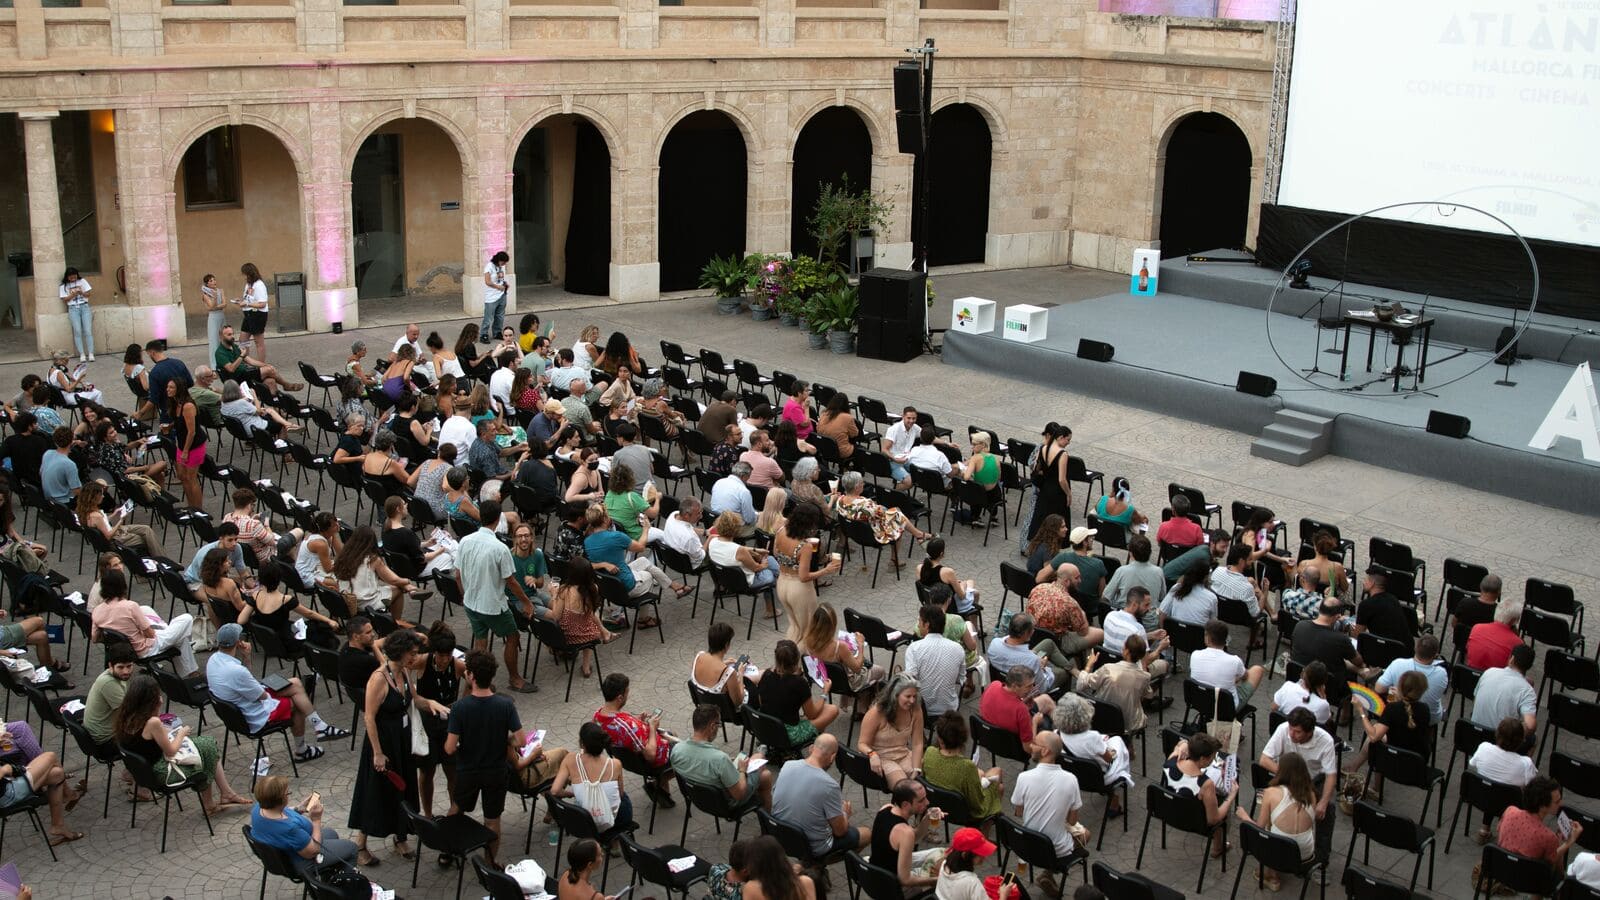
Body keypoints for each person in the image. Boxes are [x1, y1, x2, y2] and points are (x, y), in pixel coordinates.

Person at [347, 628, 443, 864]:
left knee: (403, 789)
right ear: (399, 652)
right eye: (412, 653)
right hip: (382, 743)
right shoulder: (379, 678)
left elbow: (414, 699)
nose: (415, 657)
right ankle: (360, 844)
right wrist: (378, 753)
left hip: (402, 740)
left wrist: (431, 703)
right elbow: (369, 717)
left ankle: (400, 837)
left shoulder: (405, 672)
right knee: (374, 791)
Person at [113, 672, 247, 816]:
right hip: (161, 772)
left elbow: (148, 739)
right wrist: (182, 733)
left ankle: (225, 793)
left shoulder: (126, 716)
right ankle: (211, 804)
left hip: (145, 771)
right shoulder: (153, 722)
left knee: (208, 743)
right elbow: (171, 751)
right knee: (206, 755)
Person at [206, 623, 344, 762]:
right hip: (254, 715)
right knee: (297, 703)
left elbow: (246, 682)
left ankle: (320, 726)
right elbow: (263, 696)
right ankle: (302, 750)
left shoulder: (213, 659)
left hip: (236, 711)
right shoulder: (236, 671)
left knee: (295, 682)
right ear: (238, 642)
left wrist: (247, 657)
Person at [441, 649, 522, 868]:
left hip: (468, 770)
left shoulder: (460, 708)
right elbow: (521, 740)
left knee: (456, 809)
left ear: (471, 676)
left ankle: (447, 851)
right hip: (496, 772)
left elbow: (449, 748)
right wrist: (503, 739)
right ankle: (490, 863)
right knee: (492, 819)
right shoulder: (505, 705)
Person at [457, 499, 538, 692]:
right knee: (513, 636)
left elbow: (458, 575)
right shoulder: (500, 548)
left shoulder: (465, 541)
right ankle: (515, 679)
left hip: (471, 603)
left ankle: (478, 681)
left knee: (480, 640)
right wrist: (527, 603)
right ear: (497, 519)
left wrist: (465, 596)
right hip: (492, 606)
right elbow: (511, 581)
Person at [1260, 708, 1339, 863]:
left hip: (1313, 780)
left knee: (1328, 810)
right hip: (1287, 779)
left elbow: (1331, 775)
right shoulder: (1283, 729)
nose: (1291, 734)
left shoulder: (1325, 741)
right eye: (1291, 729)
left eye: (1297, 732)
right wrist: (1289, 776)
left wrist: (1323, 802)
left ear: (1309, 732)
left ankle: (1321, 857)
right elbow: (1264, 759)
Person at [91, 568, 198, 676]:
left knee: (145, 609)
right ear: (122, 585)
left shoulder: (97, 611)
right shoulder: (130, 606)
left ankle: (191, 672)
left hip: (127, 649)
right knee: (186, 618)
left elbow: (95, 638)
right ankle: (189, 670)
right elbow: (150, 634)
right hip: (145, 649)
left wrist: (117, 634)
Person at [1235, 751, 1318, 891]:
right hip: (1305, 853)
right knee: (1275, 825)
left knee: (1267, 828)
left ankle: (1269, 874)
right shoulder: (1312, 794)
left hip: (1278, 851)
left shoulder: (1271, 792)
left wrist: (1244, 816)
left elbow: (1259, 828)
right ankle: (1273, 872)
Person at [772, 734, 867, 855]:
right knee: (866, 834)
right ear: (832, 757)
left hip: (780, 835)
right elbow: (840, 831)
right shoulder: (830, 786)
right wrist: (845, 814)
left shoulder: (788, 765)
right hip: (811, 847)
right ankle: (816, 863)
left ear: (811, 748)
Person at [251, 775, 361, 875]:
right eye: (288, 793)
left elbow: (282, 811)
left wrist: (299, 809)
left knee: (331, 833)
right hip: (300, 862)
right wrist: (316, 820)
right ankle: (345, 884)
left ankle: (329, 875)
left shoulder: (258, 808)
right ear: (280, 800)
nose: (289, 795)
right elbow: (313, 851)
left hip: (282, 853)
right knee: (352, 848)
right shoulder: (289, 828)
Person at [671, 704, 774, 811]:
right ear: (712, 726)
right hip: (724, 805)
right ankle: (766, 816)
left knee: (759, 760)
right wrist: (742, 771)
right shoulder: (720, 759)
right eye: (719, 724)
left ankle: (763, 811)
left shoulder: (676, 749)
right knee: (764, 771)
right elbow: (739, 794)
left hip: (697, 799)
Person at [594, 673, 676, 807]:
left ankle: (664, 793)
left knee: (671, 734)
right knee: (685, 753)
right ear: (620, 698)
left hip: (629, 759)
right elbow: (650, 755)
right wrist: (652, 728)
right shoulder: (627, 726)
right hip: (653, 759)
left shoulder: (598, 716)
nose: (628, 695)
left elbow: (624, 732)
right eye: (627, 692)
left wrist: (638, 721)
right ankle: (659, 782)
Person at [1011, 729, 1084, 873]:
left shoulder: (1023, 777)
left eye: (1035, 743)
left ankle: (1047, 874)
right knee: (1085, 834)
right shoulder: (1071, 779)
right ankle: (1048, 874)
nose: (1031, 746)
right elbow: (1072, 821)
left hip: (1028, 845)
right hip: (1057, 850)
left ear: (1045, 751)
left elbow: (1019, 813)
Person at [830, 472, 932, 569]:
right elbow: (883, 512)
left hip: (854, 533)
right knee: (897, 521)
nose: (863, 484)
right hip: (871, 536)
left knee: (896, 514)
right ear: (856, 487)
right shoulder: (865, 504)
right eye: (862, 482)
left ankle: (919, 535)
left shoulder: (840, 500)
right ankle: (897, 557)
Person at [1344, 670, 1432, 783]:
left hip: (1393, 761)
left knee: (1375, 738)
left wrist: (1361, 710)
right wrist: (1399, 701)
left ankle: (1375, 786)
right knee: (1380, 733)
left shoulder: (1393, 709)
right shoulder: (1425, 709)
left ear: (1401, 687)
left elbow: (1374, 736)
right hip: (1417, 763)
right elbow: (1405, 719)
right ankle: (1355, 768)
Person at [772, 501, 840, 642]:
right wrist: (826, 570)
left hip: (782, 583)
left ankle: (789, 652)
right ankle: (801, 654)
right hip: (799, 589)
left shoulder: (780, 531)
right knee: (808, 630)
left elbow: (776, 552)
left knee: (795, 626)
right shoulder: (805, 546)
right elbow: (804, 577)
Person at [1497, 777, 1584, 882]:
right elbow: (1555, 867)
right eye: (1557, 802)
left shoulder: (1510, 811)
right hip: (1527, 881)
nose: (1561, 803)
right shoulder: (1548, 837)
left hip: (1500, 869)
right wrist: (1569, 842)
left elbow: (1499, 831)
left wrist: (1556, 840)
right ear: (1543, 806)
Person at [551, 721, 634, 831]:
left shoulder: (570, 759)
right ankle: (617, 834)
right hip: (613, 821)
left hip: (585, 821)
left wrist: (572, 793)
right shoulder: (615, 764)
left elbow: (555, 791)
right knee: (623, 796)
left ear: (582, 744)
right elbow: (620, 794)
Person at [1055, 693, 1133, 810]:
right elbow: (1109, 759)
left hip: (1075, 776)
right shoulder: (1092, 737)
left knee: (1105, 744)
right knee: (1118, 740)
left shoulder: (1057, 734)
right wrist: (1111, 751)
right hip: (1100, 778)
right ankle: (1120, 782)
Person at [1165, 731, 1237, 858]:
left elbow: (1180, 745)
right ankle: (1218, 847)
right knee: (1222, 801)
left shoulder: (1171, 761)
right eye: (1212, 757)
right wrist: (1231, 796)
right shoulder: (1206, 784)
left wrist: (1182, 744)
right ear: (1203, 759)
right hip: (1195, 822)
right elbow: (1213, 819)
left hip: (1168, 812)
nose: (1213, 760)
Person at [922, 711, 1004, 821]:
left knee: (995, 781)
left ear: (941, 740)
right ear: (963, 738)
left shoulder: (929, 752)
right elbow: (977, 802)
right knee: (998, 778)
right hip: (964, 813)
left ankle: (992, 818)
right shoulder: (967, 767)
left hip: (938, 803)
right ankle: (987, 824)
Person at [1289, 599, 1364, 714]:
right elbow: (1358, 661)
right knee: (1351, 673)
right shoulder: (1340, 639)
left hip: (1298, 677)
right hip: (1329, 688)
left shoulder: (1300, 625)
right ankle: (1346, 714)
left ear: (1320, 610)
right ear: (1337, 616)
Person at [332, 526, 418, 627]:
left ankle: (408, 590)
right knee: (398, 590)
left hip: (347, 600)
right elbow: (393, 580)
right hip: (365, 602)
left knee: (393, 586)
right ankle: (395, 623)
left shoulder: (343, 555)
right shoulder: (372, 559)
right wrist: (407, 581)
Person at [759, 639, 840, 743]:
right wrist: (825, 692)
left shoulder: (766, 674)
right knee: (832, 709)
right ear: (797, 659)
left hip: (764, 727)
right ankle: (816, 744)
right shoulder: (799, 683)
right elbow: (812, 714)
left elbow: (761, 702)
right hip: (787, 735)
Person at [0, 746, 81, 847]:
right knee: (50, 756)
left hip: (9, 784)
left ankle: (58, 826)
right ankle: (68, 794)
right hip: (9, 793)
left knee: (57, 774)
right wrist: (4, 770)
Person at [871, 779, 944, 890]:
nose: (927, 802)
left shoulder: (885, 808)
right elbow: (905, 880)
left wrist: (928, 818)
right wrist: (938, 880)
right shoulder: (906, 832)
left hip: (876, 871)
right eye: (921, 800)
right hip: (892, 886)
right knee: (944, 872)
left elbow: (915, 837)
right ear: (906, 804)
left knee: (943, 852)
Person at [549, 558, 616, 679]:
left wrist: (554, 595)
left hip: (567, 636)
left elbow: (556, 616)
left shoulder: (564, 590)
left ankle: (605, 632)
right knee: (590, 620)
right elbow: (591, 611)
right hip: (588, 635)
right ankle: (586, 667)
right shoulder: (593, 588)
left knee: (586, 619)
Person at [858, 673, 925, 787]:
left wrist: (916, 768)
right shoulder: (876, 713)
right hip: (882, 757)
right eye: (908, 696)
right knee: (904, 787)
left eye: (914, 696)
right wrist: (872, 754)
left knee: (922, 782)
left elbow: (917, 743)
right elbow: (862, 743)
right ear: (895, 695)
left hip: (903, 754)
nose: (912, 701)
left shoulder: (915, 710)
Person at [987, 613, 1075, 698]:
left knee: (1048, 643)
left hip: (1008, 675)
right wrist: (1042, 668)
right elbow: (1042, 688)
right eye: (1032, 629)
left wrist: (1033, 657)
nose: (1034, 631)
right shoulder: (1032, 660)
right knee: (1064, 672)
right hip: (1026, 685)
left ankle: (1074, 670)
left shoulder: (994, 643)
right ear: (1026, 633)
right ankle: (1064, 693)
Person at [801, 602, 883, 693]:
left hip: (826, 681)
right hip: (848, 684)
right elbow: (857, 669)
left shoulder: (807, 641)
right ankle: (873, 699)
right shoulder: (839, 647)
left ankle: (852, 700)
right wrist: (860, 645)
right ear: (832, 624)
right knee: (880, 671)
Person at [1025, 564, 1104, 656]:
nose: (1080, 581)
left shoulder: (1038, 588)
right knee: (1100, 633)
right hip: (1057, 642)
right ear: (1067, 581)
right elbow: (1083, 632)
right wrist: (1082, 613)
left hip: (1031, 635)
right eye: (1077, 578)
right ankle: (1089, 661)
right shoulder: (1070, 602)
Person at [1190, 618, 1266, 712]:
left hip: (1199, 701)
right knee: (1257, 670)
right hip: (1226, 709)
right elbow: (1245, 676)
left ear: (1208, 638)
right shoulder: (1235, 661)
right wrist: (1233, 679)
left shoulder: (1195, 655)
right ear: (1226, 640)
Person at [906, 603, 967, 718]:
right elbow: (961, 679)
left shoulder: (914, 648)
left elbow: (910, 680)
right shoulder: (958, 648)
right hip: (949, 709)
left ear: (927, 625)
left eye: (919, 621)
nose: (918, 625)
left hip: (922, 711)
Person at [76, 480, 165, 558]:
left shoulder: (85, 511)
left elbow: (102, 523)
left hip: (113, 532)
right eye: (101, 494)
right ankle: (161, 560)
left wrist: (114, 514)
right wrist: (120, 521)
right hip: (115, 540)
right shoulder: (96, 516)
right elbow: (108, 536)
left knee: (146, 529)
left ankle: (159, 559)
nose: (103, 496)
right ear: (94, 497)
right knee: (146, 539)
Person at [981, 665, 1056, 756]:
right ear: (1014, 686)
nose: (1032, 688)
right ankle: (1061, 739)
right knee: (1046, 723)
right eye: (1028, 686)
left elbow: (1004, 704)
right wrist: (1035, 722)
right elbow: (1029, 748)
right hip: (1013, 748)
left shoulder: (994, 685)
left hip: (989, 737)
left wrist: (1021, 701)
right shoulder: (1021, 710)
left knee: (1045, 699)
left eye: (1033, 684)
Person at [1472, 643, 1539, 744]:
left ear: (1512, 658)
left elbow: (1475, 700)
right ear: (1529, 666)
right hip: (1499, 741)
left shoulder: (1489, 672)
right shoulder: (1527, 690)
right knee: (1534, 739)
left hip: (1473, 732)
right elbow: (1530, 726)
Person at [1375, 634, 1448, 723]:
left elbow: (1379, 689)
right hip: (1428, 720)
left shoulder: (1398, 664)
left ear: (1415, 648)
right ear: (1436, 655)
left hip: (1399, 716)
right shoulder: (1442, 673)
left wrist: (1394, 693)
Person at [1211, 543, 1270, 645]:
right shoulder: (1247, 588)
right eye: (1250, 559)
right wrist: (1264, 593)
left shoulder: (1217, 571)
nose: (1252, 561)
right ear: (1241, 561)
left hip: (1219, 612)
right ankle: (1252, 643)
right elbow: (1256, 613)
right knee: (1258, 617)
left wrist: (1246, 580)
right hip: (1241, 619)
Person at [214, 325, 300, 394]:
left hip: (246, 374)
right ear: (221, 336)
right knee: (269, 370)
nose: (232, 337)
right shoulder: (220, 353)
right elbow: (231, 369)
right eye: (229, 335)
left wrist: (266, 365)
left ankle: (277, 408)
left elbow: (250, 361)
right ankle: (286, 385)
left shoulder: (234, 347)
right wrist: (241, 356)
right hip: (238, 379)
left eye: (232, 334)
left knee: (271, 381)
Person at [1025, 422, 1074, 542]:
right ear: (1061, 437)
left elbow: (1037, 467)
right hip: (1057, 492)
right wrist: (1068, 493)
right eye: (1068, 439)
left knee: (1042, 518)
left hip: (1045, 488)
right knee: (1057, 522)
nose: (1068, 443)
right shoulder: (1062, 454)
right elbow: (1062, 479)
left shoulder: (1043, 448)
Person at [84, 641, 139, 746]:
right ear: (110, 665)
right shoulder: (108, 683)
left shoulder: (118, 676)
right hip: (106, 739)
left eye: (129, 666)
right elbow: (130, 712)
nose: (126, 671)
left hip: (108, 729)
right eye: (121, 667)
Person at [167, 379, 207, 509]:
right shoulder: (175, 403)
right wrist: (170, 426)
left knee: (191, 478)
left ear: (178, 389)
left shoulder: (188, 406)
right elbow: (180, 422)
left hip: (193, 446)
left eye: (171, 387)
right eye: (168, 387)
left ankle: (198, 509)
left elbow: (192, 432)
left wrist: (185, 451)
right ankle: (190, 506)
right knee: (182, 476)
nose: (168, 390)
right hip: (182, 444)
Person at [1355, 566, 1416, 647]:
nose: (1363, 582)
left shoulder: (1365, 605)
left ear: (1372, 583)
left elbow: (1357, 636)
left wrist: (1346, 625)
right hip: (1404, 649)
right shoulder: (1394, 599)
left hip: (1383, 649)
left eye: (1366, 580)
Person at [919, 539, 979, 614]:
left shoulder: (919, 568)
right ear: (941, 554)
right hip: (949, 606)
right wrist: (963, 585)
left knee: (972, 587)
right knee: (971, 585)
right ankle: (972, 619)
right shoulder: (947, 572)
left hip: (930, 603)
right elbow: (962, 596)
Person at [1271, 660, 1333, 726]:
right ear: (1322, 684)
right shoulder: (1323, 705)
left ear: (1304, 674)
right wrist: (1323, 697)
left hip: (1282, 729)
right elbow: (1327, 721)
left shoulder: (1288, 686)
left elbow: (1273, 708)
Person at [1159, 559, 1219, 627]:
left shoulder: (1177, 588)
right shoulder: (1212, 598)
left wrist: (1163, 632)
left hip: (1173, 632)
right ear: (1205, 577)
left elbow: (1162, 613)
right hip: (1197, 633)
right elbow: (1213, 624)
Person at [1468, 601, 1524, 671]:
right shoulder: (1518, 643)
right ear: (1514, 621)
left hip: (1469, 673)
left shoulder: (1477, 628)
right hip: (1496, 677)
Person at [1298, 530, 1351, 603]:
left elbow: (1300, 582)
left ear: (1315, 546)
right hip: (1327, 604)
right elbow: (1345, 588)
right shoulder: (1337, 567)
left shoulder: (1303, 564)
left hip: (1308, 601)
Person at [1162, 529, 1230, 585]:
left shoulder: (1204, 547)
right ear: (1212, 544)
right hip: (1169, 580)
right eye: (1222, 547)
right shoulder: (1204, 558)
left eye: (1227, 546)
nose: (1225, 550)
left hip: (1166, 574)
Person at [237, 262, 272, 360]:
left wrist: (247, 304)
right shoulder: (249, 284)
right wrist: (241, 300)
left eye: (245, 274)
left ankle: (261, 364)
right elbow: (249, 298)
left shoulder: (259, 285)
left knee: (258, 342)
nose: (244, 277)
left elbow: (262, 304)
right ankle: (246, 361)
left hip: (258, 315)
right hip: (248, 314)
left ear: (250, 274)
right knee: (243, 340)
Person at [39, 426, 80, 506]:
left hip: (48, 499)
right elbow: (76, 491)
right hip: (63, 502)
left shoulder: (47, 453)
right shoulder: (69, 464)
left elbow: (41, 473)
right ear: (71, 441)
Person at [61, 266, 94, 361]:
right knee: (77, 331)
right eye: (71, 277)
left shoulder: (82, 281)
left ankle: (91, 353)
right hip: (73, 309)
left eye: (74, 276)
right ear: (67, 277)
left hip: (84, 307)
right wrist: (73, 294)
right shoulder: (63, 286)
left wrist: (81, 293)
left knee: (88, 331)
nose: (73, 279)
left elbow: (88, 294)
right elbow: (64, 299)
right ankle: (82, 354)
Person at [815, 393, 859, 460]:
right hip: (840, 452)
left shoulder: (824, 414)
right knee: (861, 450)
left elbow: (818, 429)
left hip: (824, 449)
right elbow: (854, 434)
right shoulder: (847, 417)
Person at [481, 250, 511, 340]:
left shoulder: (500, 267)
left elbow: (500, 279)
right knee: (488, 317)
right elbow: (487, 282)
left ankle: (497, 332)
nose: (504, 264)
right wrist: (498, 287)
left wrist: (505, 283)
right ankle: (484, 334)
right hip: (491, 296)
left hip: (502, 295)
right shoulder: (489, 267)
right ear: (498, 259)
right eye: (503, 262)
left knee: (500, 316)